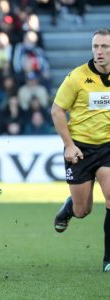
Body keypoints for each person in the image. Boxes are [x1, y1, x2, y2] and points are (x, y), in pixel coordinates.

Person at [51, 28, 110, 272]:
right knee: (82, 209)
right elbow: (57, 110)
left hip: (107, 146)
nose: (99, 52)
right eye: (96, 46)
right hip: (81, 149)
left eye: (105, 47)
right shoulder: (77, 77)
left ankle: (108, 259)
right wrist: (69, 145)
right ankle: (69, 209)